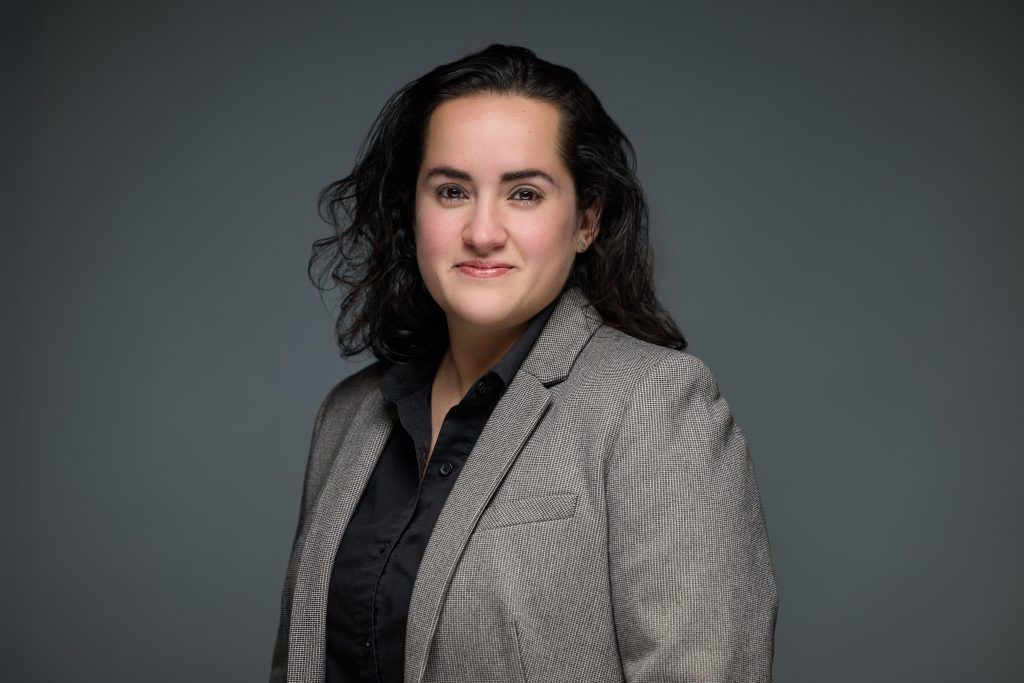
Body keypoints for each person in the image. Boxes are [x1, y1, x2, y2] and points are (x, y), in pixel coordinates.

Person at [270, 43, 778, 683]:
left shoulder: (655, 401)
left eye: (525, 194)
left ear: (587, 220)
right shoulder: (348, 416)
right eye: (452, 191)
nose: (483, 232)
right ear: (412, 210)